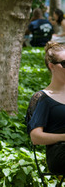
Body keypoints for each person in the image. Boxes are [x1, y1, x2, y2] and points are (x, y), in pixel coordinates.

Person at [26, 41, 65, 175]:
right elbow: (36, 137)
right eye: (64, 64)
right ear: (52, 66)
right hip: (60, 152)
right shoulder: (43, 98)